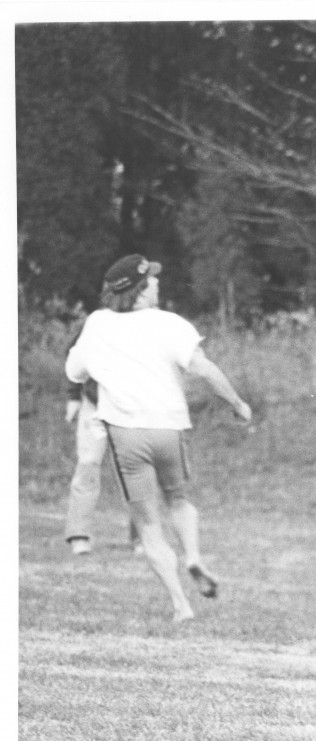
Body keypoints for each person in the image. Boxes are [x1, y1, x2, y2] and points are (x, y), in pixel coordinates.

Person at [66, 254, 252, 622]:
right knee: (180, 501)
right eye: (151, 279)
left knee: (148, 523)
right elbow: (202, 368)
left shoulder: (98, 324)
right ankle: (194, 556)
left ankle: (181, 604)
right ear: (138, 290)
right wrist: (237, 402)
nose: (157, 283)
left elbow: (74, 372)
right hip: (169, 430)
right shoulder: (171, 324)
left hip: (127, 437)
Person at [63, 326, 140, 556]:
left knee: (135, 470)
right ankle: (79, 535)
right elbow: (75, 358)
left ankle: (143, 537)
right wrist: (73, 396)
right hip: (94, 405)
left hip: (131, 408)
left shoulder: (147, 324)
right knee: (87, 465)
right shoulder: (96, 323)